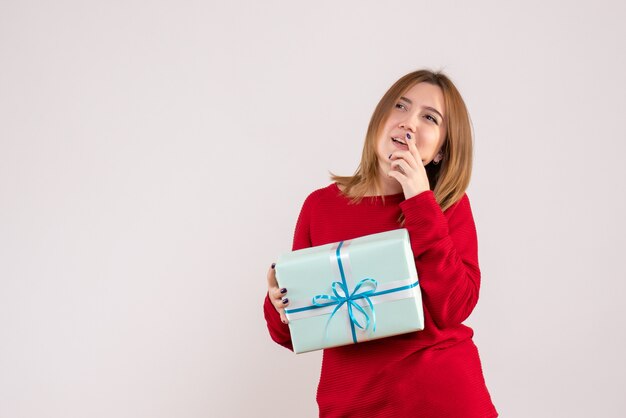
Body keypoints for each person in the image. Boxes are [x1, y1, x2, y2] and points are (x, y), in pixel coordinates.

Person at [264, 69, 498, 417]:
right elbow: (293, 334)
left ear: (440, 151)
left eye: (429, 118)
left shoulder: (447, 204)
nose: (410, 123)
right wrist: (280, 305)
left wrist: (420, 202)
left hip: (446, 401)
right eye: (400, 107)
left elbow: (454, 308)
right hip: (352, 405)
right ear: (380, 120)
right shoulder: (321, 207)